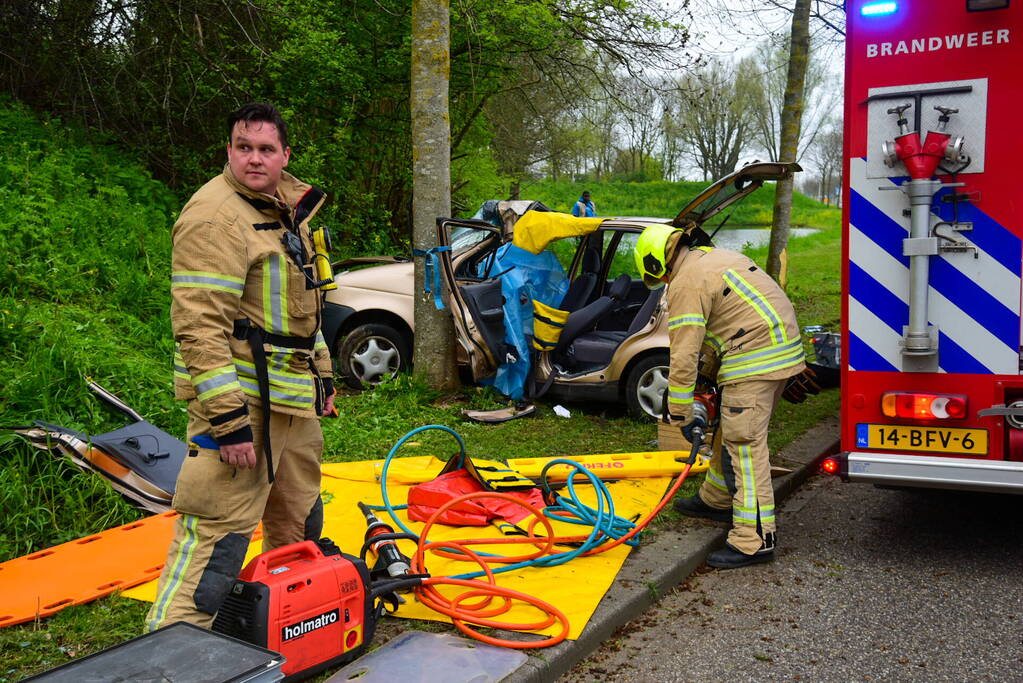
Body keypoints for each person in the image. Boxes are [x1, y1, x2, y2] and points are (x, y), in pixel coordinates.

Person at [146, 102, 335, 630]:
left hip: (292, 400)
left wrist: (322, 377)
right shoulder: (214, 217)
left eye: (266, 149)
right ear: (228, 151)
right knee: (219, 537)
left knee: (299, 517)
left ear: (284, 155)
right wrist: (228, 422)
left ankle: (293, 624)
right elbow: (199, 327)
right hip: (243, 405)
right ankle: (174, 651)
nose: (255, 158)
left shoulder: (287, 210)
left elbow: (303, 309)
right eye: (244, 147)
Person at [634, 223, 808, 569]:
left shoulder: (685, 282)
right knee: (728, 433)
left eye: (658, 277)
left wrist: (681, 411)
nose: (663, 283)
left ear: (656, 264)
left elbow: (683, 352)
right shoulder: (713, 258)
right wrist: (708, 376)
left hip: (755, 361)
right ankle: (716, 499)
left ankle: (754, 540)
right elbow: (725, 326)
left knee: (745, 446)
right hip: (775, 352)